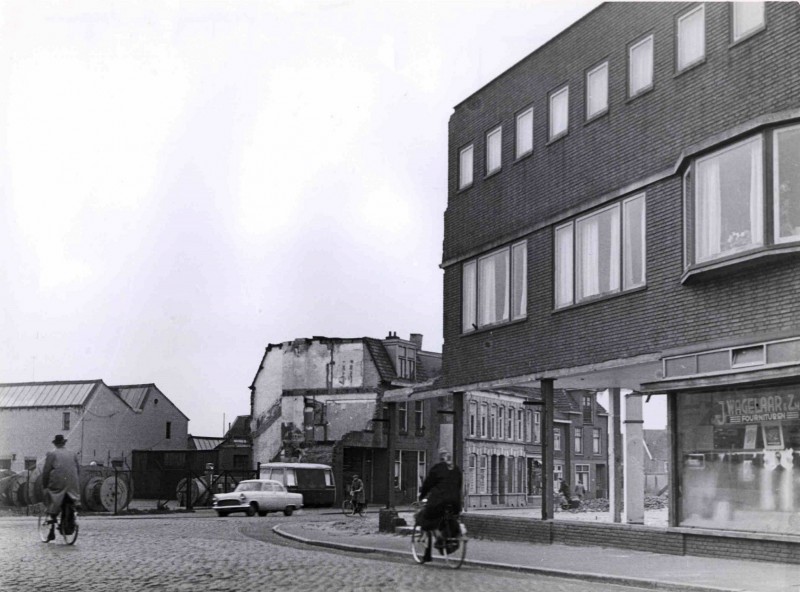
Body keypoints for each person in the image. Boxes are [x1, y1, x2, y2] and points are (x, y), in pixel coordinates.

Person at [416, 447, 463, 563]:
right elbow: (459, 485)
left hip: (439, 502)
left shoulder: (437, 469)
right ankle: (446, 538)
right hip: (455, 504)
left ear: (440, 458)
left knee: (425, 517)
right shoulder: (456, 469)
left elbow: (427, 484)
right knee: (448, 518)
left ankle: (430, 551)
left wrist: (421, 496)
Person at [41, 434, 80, 542]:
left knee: (52, 496)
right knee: (69, 499)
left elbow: (46, 471)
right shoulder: (73, 454)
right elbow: (78, 469)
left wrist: (45, 485)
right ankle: (69, 518)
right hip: (72, 482)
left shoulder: (52, 454)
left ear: (55, 443)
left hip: (58, 482)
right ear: (64, 443)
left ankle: (51, 519)